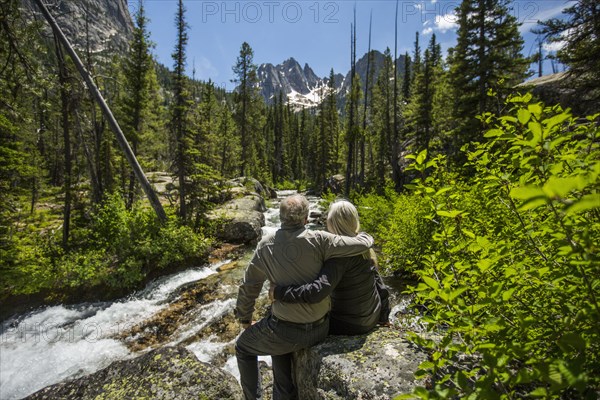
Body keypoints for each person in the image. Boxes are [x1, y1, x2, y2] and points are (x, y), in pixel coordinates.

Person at [234, 194, 375, 400]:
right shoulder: (321, 239)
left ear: (281, 218)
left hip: (284, 331)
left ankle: (256, 397)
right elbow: (360, 244)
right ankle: (282, 392)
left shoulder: (265, 246)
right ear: (306, 219)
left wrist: (245, 319)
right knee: (273, 323)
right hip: (320, 329)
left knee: (243, 346)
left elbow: (249, 286)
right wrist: (366, 236)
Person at [271, 200, 390, 335]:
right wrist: (384, 316)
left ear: (332, 223)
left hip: (349, 324)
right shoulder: (363, 247)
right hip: (372, 317)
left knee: (291, 326)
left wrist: (279, 292)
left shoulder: (338, 255)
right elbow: (381, 287)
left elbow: (317, 292)